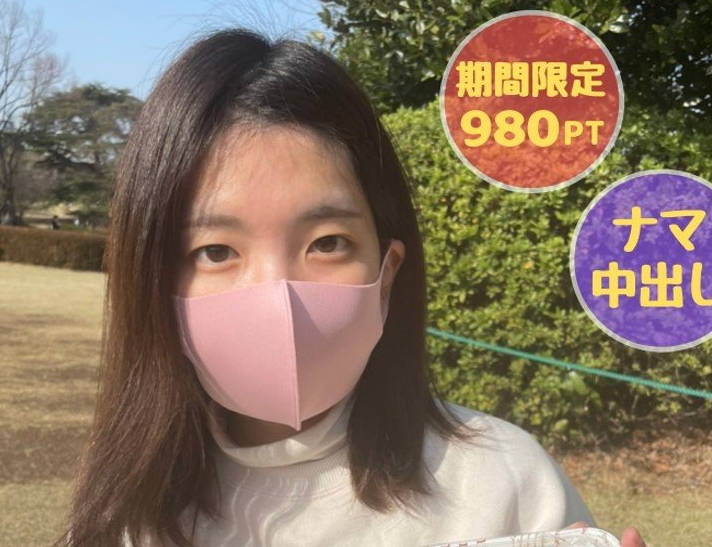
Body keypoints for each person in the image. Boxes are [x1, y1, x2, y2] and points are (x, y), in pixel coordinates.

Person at [54, 28, 646, 547]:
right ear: (154, 284)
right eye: (215, 251)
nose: (277, 295)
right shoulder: (127, 511)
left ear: (387, 274)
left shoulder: (504, 483)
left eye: (327, 242)